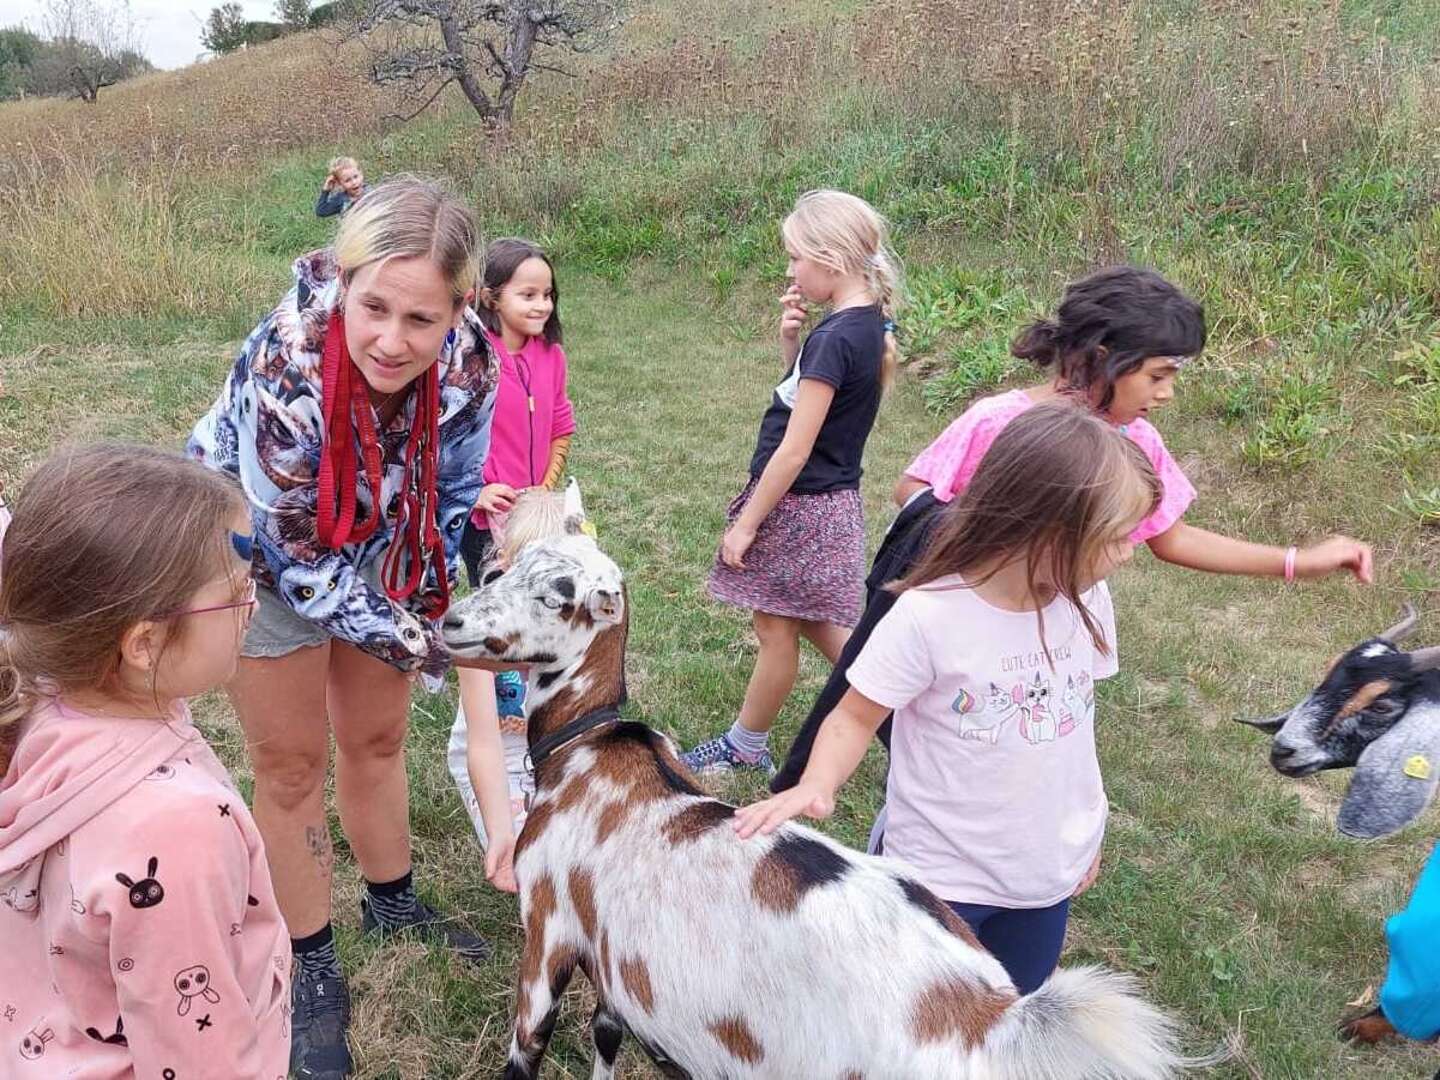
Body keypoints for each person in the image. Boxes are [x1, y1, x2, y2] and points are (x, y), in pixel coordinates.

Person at [771, 265, 1374, 793]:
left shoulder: (1136, 440)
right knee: (934, 723)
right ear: (1102, 355)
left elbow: (1170, 536)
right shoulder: (998, 420)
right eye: (1157, 375)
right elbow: (916, 492)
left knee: (1026, 728)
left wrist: (1298, 560)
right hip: (965, 625)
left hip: (1058, 627)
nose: (1165, 394)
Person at [188, 176, 502, 1080]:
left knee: (379, 735)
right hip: (258, 548)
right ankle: (309, 956)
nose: (391, 341)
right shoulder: (289, 360)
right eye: (374, 308)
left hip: (382, 539)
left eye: (422, 320)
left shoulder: (475, 360)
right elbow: (291, 559)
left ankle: (392, 900)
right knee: (290, 764)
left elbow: (449, 496)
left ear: (458, 311)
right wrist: (425, 645)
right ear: (341, 278)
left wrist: (432, 596)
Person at [737, 406, 1159, 994]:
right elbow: (854, 715)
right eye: (1115, 538)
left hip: (1044, 879)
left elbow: (1073, 727)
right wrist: (816, 784)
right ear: (1044, 530)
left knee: (1012, 1010)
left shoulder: (1087, 601)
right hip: (940, 878)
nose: (1128, 553)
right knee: (910, 1013)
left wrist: (1086, 824)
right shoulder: (930, 616)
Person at [0, 444, 289, 1077]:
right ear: (145, 644)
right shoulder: (175, 831)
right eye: (236, 593)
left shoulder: (39, 705)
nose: (253, 609)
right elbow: (199, 1055)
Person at [683, 189, 902, 777]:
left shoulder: (836, 339)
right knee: (820, 625)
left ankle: (745, 744)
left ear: (831, 259)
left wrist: (747, 522)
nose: (790, 269)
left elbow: (794, 447)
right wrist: (792, 345)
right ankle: (908, 725)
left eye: (796, 257)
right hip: (831, 505)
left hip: (799, 507)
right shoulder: (863, 327)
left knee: (778, 627)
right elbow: (809, 401)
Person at [447, 487, 575, 894]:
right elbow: (483, 745)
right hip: (501, 758)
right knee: (536, 868)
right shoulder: (479, 634)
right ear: (505, 565)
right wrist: (503, 831)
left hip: (553, 757)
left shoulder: (583, 624)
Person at [459, 237, 576, 585]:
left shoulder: (551, 356)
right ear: (491, 297)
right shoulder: (469, 360)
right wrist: (475, 493)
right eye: (528, 295)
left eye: (548, 294)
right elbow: (443, 438)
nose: (543, 305)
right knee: (498, 596)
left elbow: (561, 426)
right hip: (482, 517)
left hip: (534, 514)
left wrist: (545, 486)